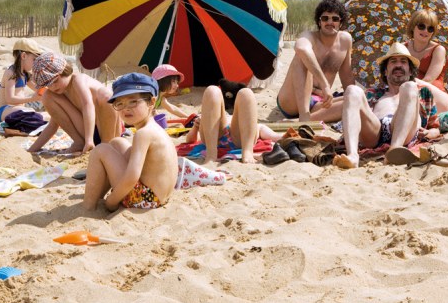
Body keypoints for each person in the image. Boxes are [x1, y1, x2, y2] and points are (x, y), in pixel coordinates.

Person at [332, 43, 439, 169]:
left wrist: (429, 132)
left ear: (410, 70)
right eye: (393, 61)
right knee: (351, 90)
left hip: (405, 134)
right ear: (386, 70)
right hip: (375, 133)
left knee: (409, 86)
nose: (398, 65)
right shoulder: (373, 93)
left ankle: (394, 150)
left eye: (403, 61)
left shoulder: (422, 93)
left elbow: (436, 127)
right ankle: (353, 156)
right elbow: (352, 117)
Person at [82, 73, 178, 211]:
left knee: (101, 150)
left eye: (133, 101)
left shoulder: (143, 133)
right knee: (117, 142)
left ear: (151, 102)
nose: (126, 108)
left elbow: (132, 176)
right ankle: (97, 195)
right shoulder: (154, 128)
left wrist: (111, 201)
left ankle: (88, 206)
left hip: (145, 199)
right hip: (159, 196)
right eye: (119, 104)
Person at [276, 0, 355, 122]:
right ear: (319, 22)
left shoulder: (345, 40)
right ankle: (303, 115)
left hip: (320, 101)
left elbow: (346, 75)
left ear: (341, 22)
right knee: (302, 57)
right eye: (325, 18)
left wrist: (351, 94)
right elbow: (301, 49)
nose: (330, 22)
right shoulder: (309, 36)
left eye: (335, 19)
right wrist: (325, 85)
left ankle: (303, 120)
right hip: (293, 100)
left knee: (356, 100)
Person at [28, 52, 120, 155]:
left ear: (64, 71)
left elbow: (87, 105)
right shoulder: (59, 92)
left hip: (107, 129)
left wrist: (89, 139)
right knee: (47, 96)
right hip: (88, 134)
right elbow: (53, 124)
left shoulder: (78, 79)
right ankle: (79, 142)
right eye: (48, 85)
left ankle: (106, 145)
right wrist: (31, 149)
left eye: (55, 81)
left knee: (106, 96)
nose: (53, 87)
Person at [186, 84, 280, 165]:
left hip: (241, 140)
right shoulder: (210, 119)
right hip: (214, 139)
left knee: (246, 93)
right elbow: (190, 140)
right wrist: (195, 127)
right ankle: (211, 154)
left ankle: (247, 152)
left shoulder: (249, 122)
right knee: (212, 90)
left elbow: (267, 131)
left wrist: (279, 137)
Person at [404, 9, 448, 112]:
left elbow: (428, 80)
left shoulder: (438, 50)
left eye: (430, 28)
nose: (425, 31)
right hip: (407, 90)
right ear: (413, 27)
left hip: (431, 93)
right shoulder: (403, 47)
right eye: (421, 26)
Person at [0, 39, 45, 122]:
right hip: (4, 110)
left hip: (17, 109)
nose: (35, 64)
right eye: (34, 60)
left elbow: (38, 89)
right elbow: (10, 99)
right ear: (24, 56)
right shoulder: (11, 73)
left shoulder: (24, 74)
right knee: (30, 112)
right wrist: (32, 99)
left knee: (34, 113)